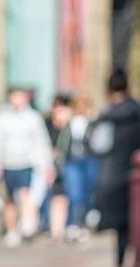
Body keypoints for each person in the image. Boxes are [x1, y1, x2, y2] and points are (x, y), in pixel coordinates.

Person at [90, 69, 140, 267]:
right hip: (137, 174)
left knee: (120, 226)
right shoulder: (138, 111)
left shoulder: (106, 115)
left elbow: (98, 145)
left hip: (112, 175)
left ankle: (119, 266)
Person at [0, 85, 53, 247]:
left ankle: (26, 224)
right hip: (7, 164)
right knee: (8, 199)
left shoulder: (33, 118)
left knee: (25, 194)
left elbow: (41, 142)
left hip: (27, 163)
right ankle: (12, 231)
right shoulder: (1, 118)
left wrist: (46, 164)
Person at [59, 95, 98, 242]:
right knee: (74, 193)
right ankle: (72, 224)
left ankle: (84, 224)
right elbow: (62, 142)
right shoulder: (70, 122)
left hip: (88, 159)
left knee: (87, 192)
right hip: (72, 160)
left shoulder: (92, 122)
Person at [43, 93, 73, 241]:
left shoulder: (70, 127)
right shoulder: (47, 126)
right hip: (53, 167)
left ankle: (64, 227)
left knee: (66, 197)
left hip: (68, 167)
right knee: (55, 197)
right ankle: (56, 228)